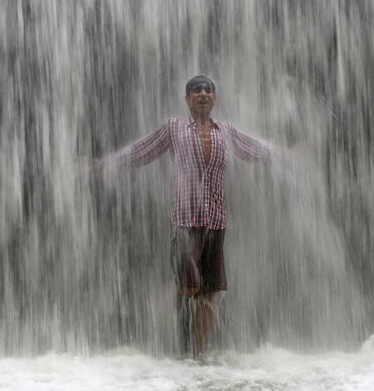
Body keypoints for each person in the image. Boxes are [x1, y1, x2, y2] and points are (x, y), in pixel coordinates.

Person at [104, 75, 272, 358]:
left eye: (208, 90)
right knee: (187, 286)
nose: (203, 93)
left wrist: (287, 155)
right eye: (196, 90)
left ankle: (198, 354)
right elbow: (141, 152)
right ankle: (181, 352)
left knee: (210, 292)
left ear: (214, 98)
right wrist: (105, 165)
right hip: (185, 221)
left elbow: (255, 150)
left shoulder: (226, 131)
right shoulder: (174, 127)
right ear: (187, 99)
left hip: (216, 222)